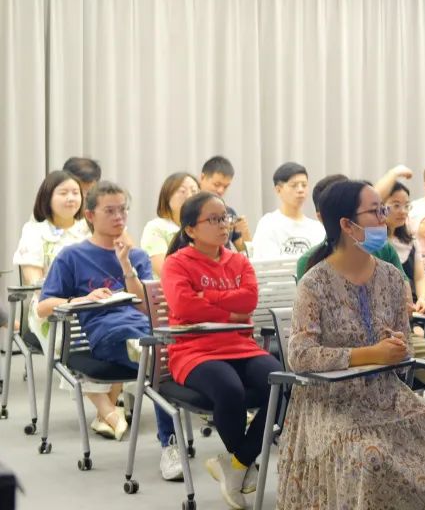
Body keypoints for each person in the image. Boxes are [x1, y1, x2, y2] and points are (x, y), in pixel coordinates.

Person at [277, 180, 425, 510]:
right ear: (347, 225)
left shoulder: (392, 277)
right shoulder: (314, 283)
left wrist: (398, 346)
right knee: (370, 456)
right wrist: (370, 354)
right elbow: (300, 355)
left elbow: (405, 345)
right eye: (375, 212)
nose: (383, 219)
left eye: (382, 210)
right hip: (331, 404)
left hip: (388, 395)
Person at [37, 181, 180, 480]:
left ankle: (194, 436)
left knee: (168, 359)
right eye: (110, 211)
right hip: (109, 337)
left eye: (123, 210)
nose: (119, 217)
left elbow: (145, 307)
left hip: (145, 330)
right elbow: (43, 307)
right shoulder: (72, 256)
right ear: (90, 215)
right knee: (159, 363)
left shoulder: (136, 256)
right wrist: (81, 300)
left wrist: (126, 266)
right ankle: (170, 445)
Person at [162, 191, 282, 508]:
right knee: (230, 389)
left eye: (225, 218)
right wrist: (230, 313)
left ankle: (237, 464)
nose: (223, 225)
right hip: (194, 351)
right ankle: (242, 463)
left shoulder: (238, 260)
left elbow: (249, 300)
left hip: (240, 345)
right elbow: (183, 306)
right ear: (190, 229)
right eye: (213, 219)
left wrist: (207, 299)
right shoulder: (177, 263)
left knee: (283, 384)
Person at [12, 171, 90, 344]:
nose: (71, 198)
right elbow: (36, 283)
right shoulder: (34, 231)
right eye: (63, 193)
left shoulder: (90, 228)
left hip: (92, 301)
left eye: (75, 193)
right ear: (47, 197)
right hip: (52, 307)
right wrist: (72, 301)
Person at [295, 174, 404, 281]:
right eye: (372, 211)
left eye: (381, 209)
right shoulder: (309, 263)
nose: (382, 218)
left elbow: (404, 289)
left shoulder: (384, 250)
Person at [251, 162, 324, 259]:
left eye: (304, 185)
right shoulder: (268, 223)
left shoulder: (316, 228)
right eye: (294, 185)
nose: (300, 190)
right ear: (278, 190)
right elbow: (265, 262)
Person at [140, 172, 199, 278]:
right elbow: (164, 270)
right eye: (182, 191)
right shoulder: (156, 227)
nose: (189, 196)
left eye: (194, 191)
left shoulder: (203, 227)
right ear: (167, 196)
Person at [385, 182, 425, 313]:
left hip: (411, 308)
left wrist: (422, 299)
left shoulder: (411, 241)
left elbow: (420, 277)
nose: (403, 211)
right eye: (396, 205)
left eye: (406, 206)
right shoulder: (376, 243)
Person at [199, 156, 252, 255]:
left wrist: (245, 232)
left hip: (225, 263)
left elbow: (246, 252)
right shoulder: (189, 210)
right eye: (216, 184)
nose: (221, 190)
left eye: (226, 186)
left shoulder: (229, 213)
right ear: (202, 178)